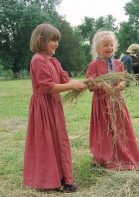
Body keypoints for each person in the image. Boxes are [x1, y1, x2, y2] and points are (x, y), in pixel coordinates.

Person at [23, 23, 86, 192]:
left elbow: (65, 79)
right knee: (46, 141)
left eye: (58, 41)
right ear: (40, 40)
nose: (57, 44)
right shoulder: (37, 60)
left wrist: (86, 82)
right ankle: (49, 180)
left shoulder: (54, 61)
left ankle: (64, 177)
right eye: (53, 40)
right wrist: (72, 87)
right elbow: (48, 87)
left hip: (54, 106)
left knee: (60, 140)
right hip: (42, 108)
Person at [86, 30, 139, 170]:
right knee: (104, 131)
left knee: (120, 128)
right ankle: (105, 158)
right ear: (97, 48)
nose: (109, 48)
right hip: (101, 104)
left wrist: (120, 86)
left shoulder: (118, 63)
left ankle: (124, 156)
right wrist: (101, 84)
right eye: (105, 45)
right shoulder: (93, 65)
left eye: (111, 44)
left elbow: (123, 81)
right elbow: (89, 83)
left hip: (116, 102)